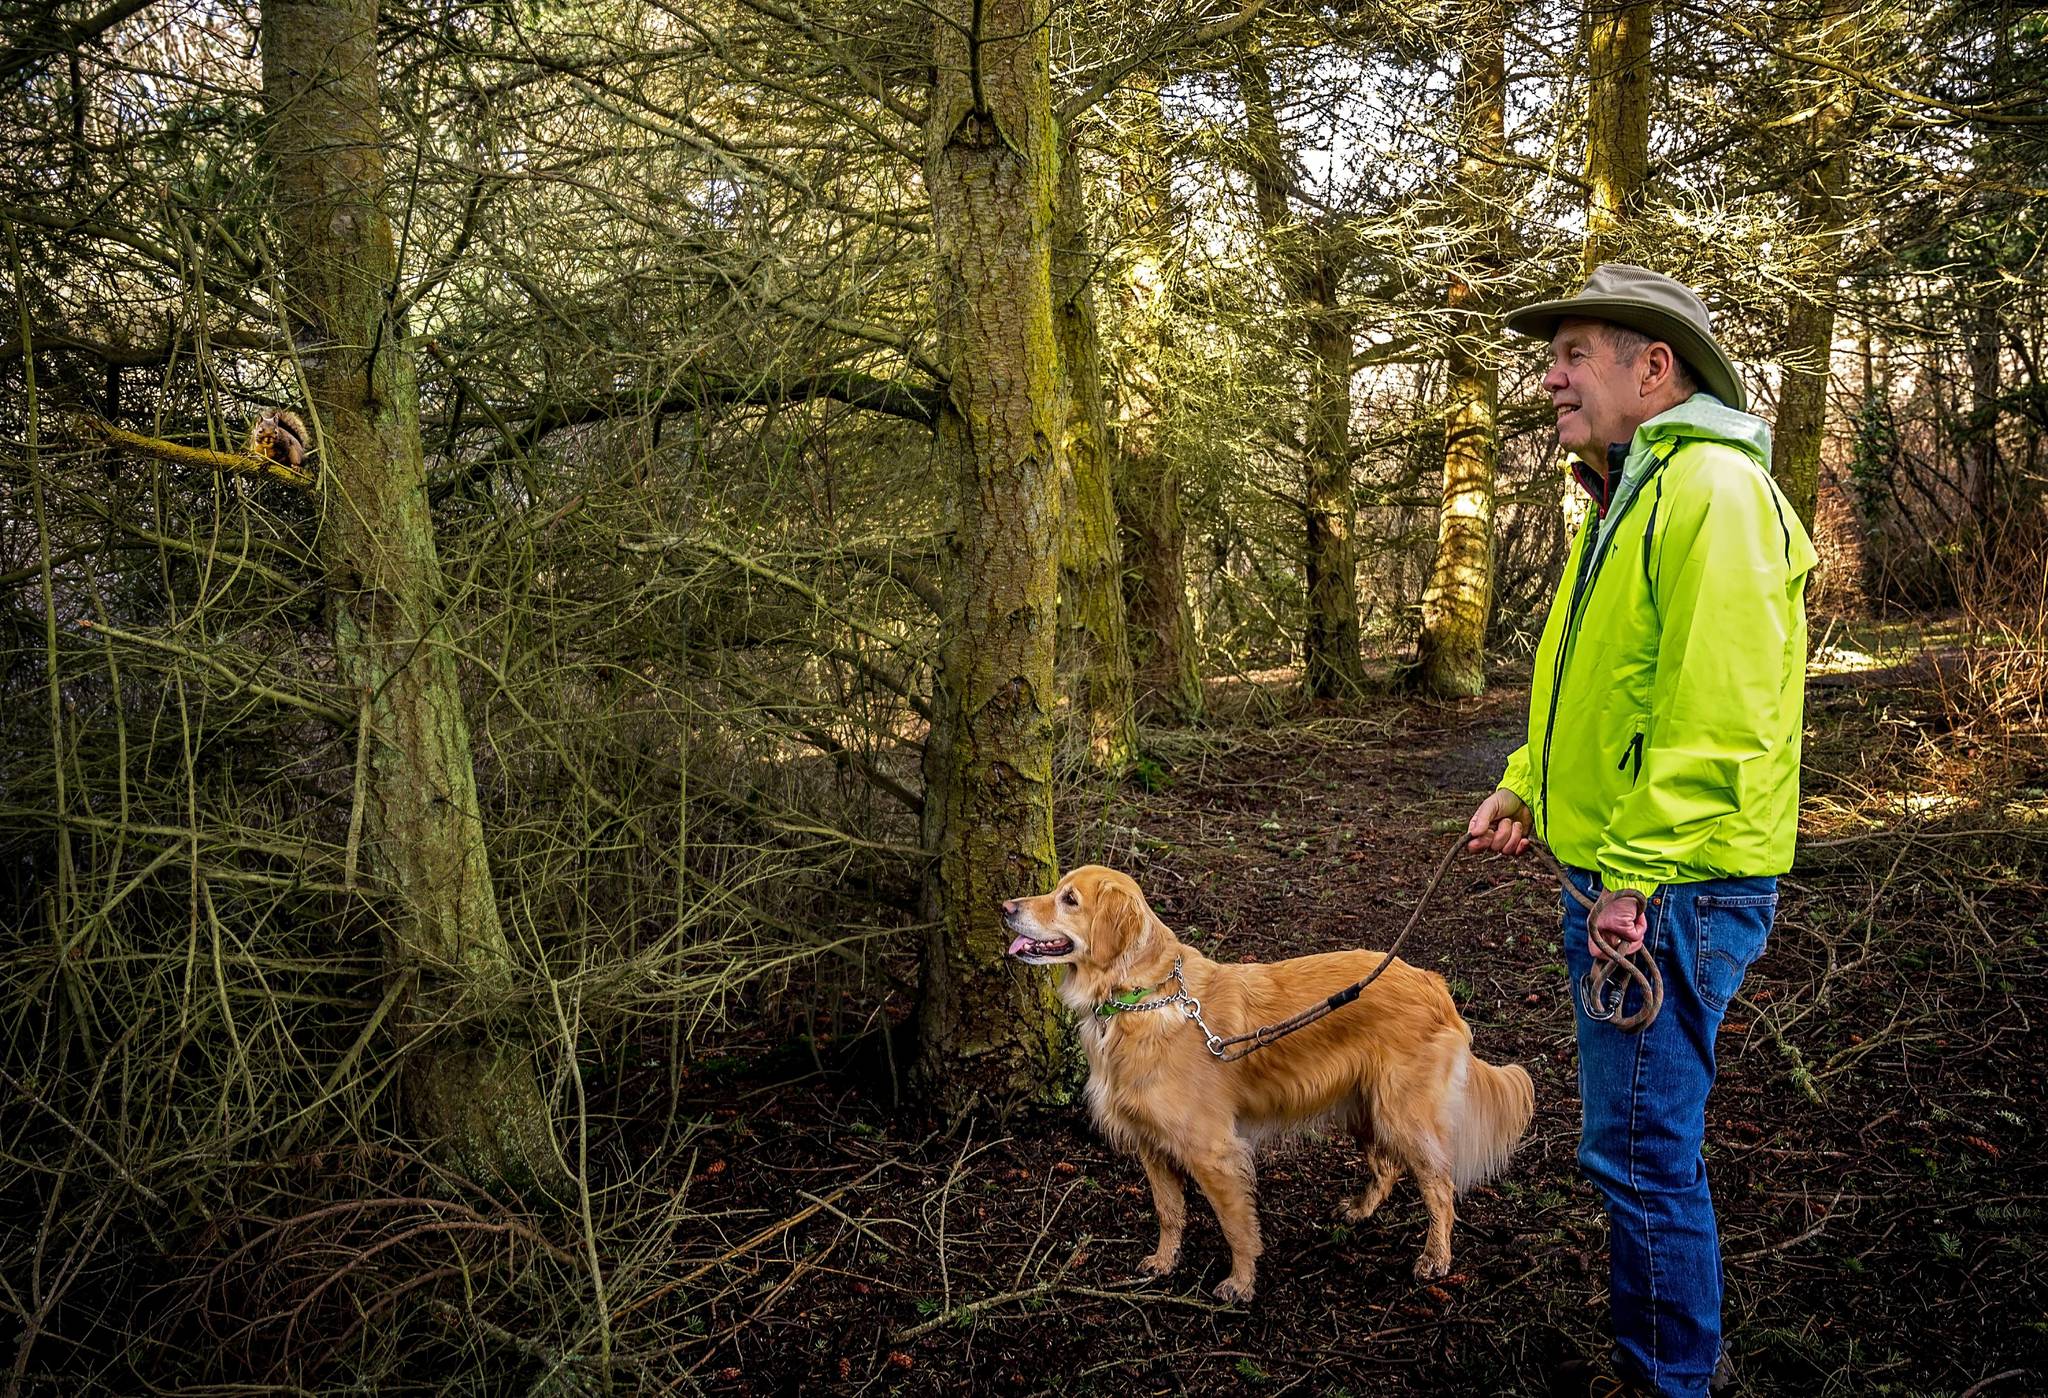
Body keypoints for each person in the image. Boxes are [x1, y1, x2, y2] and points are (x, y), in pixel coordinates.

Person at [1465, 264, 1817, 1398]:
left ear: (1650, 368)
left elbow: (1715, 713)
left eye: (1572, 354)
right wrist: (1525, 781)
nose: (1550, 376)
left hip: (1672, 886)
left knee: (1638, 1154)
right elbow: (1595, 677)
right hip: (1639, 875)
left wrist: (1635, 880)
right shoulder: (1629, 492)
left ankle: (1668, 1382)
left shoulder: (1708, 492)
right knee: (1629, 1149)